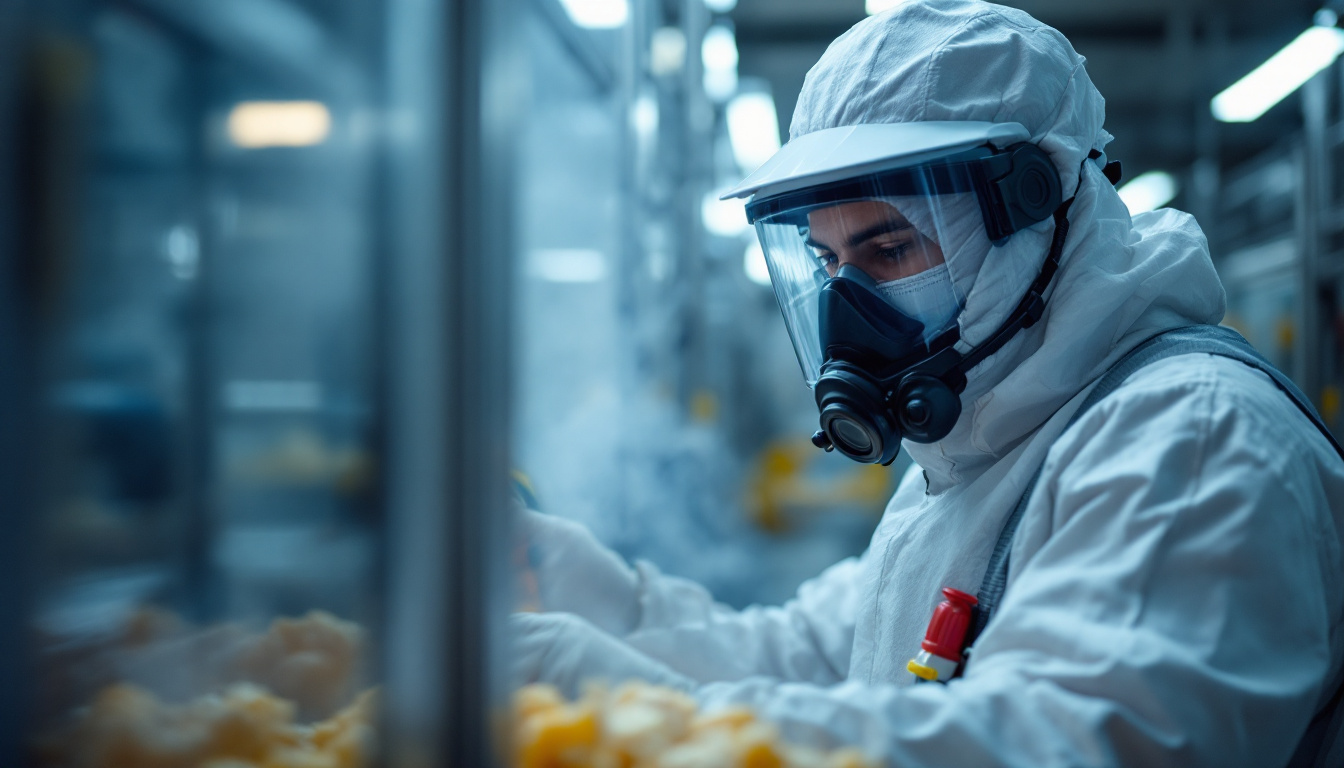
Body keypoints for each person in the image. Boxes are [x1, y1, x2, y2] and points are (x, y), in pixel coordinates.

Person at [512, 1, 1344, 765]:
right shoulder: (981, 444)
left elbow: (1054, 743)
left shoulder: (1189, 442)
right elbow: (809, 658)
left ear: (1033, 213)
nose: (849, 308)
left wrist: (610, 695)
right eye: (829, 263)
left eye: (891, 250)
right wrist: (562, 579)